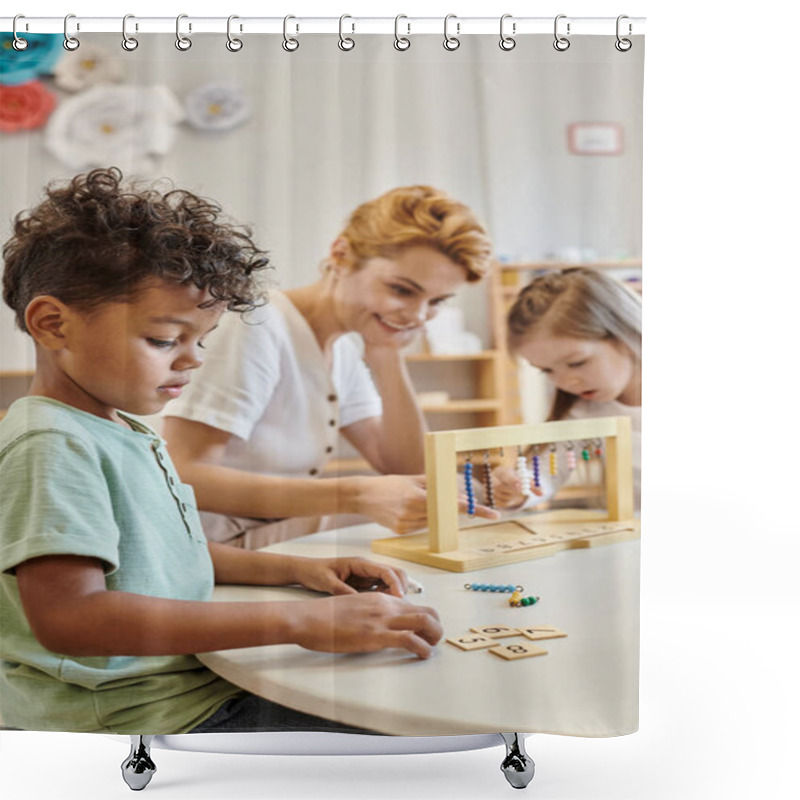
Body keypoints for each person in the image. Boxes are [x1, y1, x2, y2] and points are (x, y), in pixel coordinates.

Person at [0, 168, 442, 735]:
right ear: (53, 324)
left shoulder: (119, 429)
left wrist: (299, 572)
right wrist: (297, 621)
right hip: (136, 713)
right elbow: (71, 618)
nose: (192, 360)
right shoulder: (52, 442)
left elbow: (171, 553)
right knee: (397, 728)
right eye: (164, 340)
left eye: (200, 341)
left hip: (187, 681)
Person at [162, 185, 499, 548]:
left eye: (437, 301)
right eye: (402, 290)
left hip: (264, 534)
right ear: (341, 254)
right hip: (206, 545)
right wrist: (354, 495)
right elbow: (183, 474)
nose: (418, 316)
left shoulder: (343, 351)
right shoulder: (256, 324)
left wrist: (387, 354)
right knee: (427, 528)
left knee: (453, 511)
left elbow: (407, 469)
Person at [492, 267, 641, 511]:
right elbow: (547, 472)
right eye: (547, 371)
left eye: (576, 363)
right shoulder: (585, 410)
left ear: (625, 335)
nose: (565, 383)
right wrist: (518, 488)